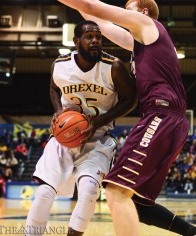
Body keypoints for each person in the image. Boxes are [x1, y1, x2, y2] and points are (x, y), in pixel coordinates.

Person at [19, 0, 191, 236]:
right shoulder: (140, 43)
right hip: (167, 119)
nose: (122, 14)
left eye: (127, 9)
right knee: (134, 201)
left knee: (115, 191)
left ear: (143, 12)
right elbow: (97, 20)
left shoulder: (147, 24)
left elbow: (94, 6)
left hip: (162, 114)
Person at [24, 20, 137, 236]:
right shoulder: (60, 65)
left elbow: (131, 99)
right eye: (89, 37)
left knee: (88, 191)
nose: (95, 40)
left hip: (99, 138)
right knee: (45, 192)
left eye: (98, 37)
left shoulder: (113, 67)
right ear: (77, 41)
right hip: (64, 137)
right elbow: (53, 88)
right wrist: (58, 111)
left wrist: (99, 122)